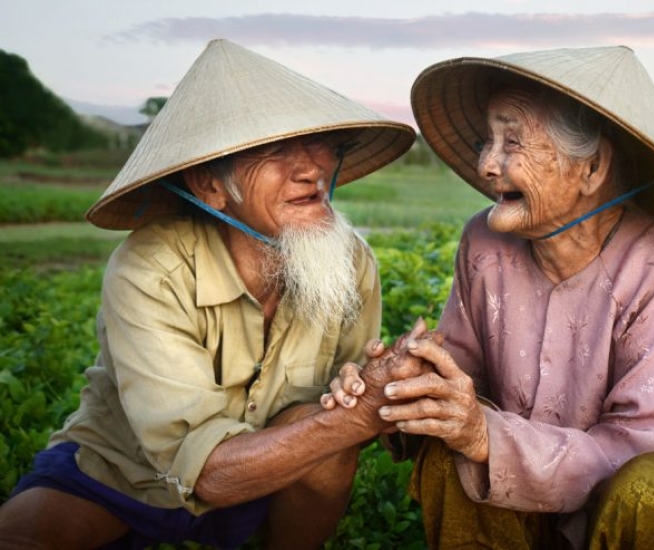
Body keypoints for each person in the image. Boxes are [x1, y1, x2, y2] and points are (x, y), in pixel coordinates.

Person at [0, 38, 418, 550]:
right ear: (209, 187)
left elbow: (346, 406)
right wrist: (358, 412)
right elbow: (205, 472)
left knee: (326, 434)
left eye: (319, 145)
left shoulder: (349, 260)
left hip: (273, 472)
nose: (311, 168)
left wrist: (385, 386)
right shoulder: (150, 268)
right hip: (125, 474)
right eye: (275, 151)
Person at [322, 46, 654, 549]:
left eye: (512, 142)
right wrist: (399, 384)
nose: (487, 164)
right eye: (487, 141)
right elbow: (462, 376)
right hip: (515, 516)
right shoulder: (483, 241)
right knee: (448, 454)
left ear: (592, 169)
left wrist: (487, 438)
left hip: (634, 523)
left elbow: (639, 444)